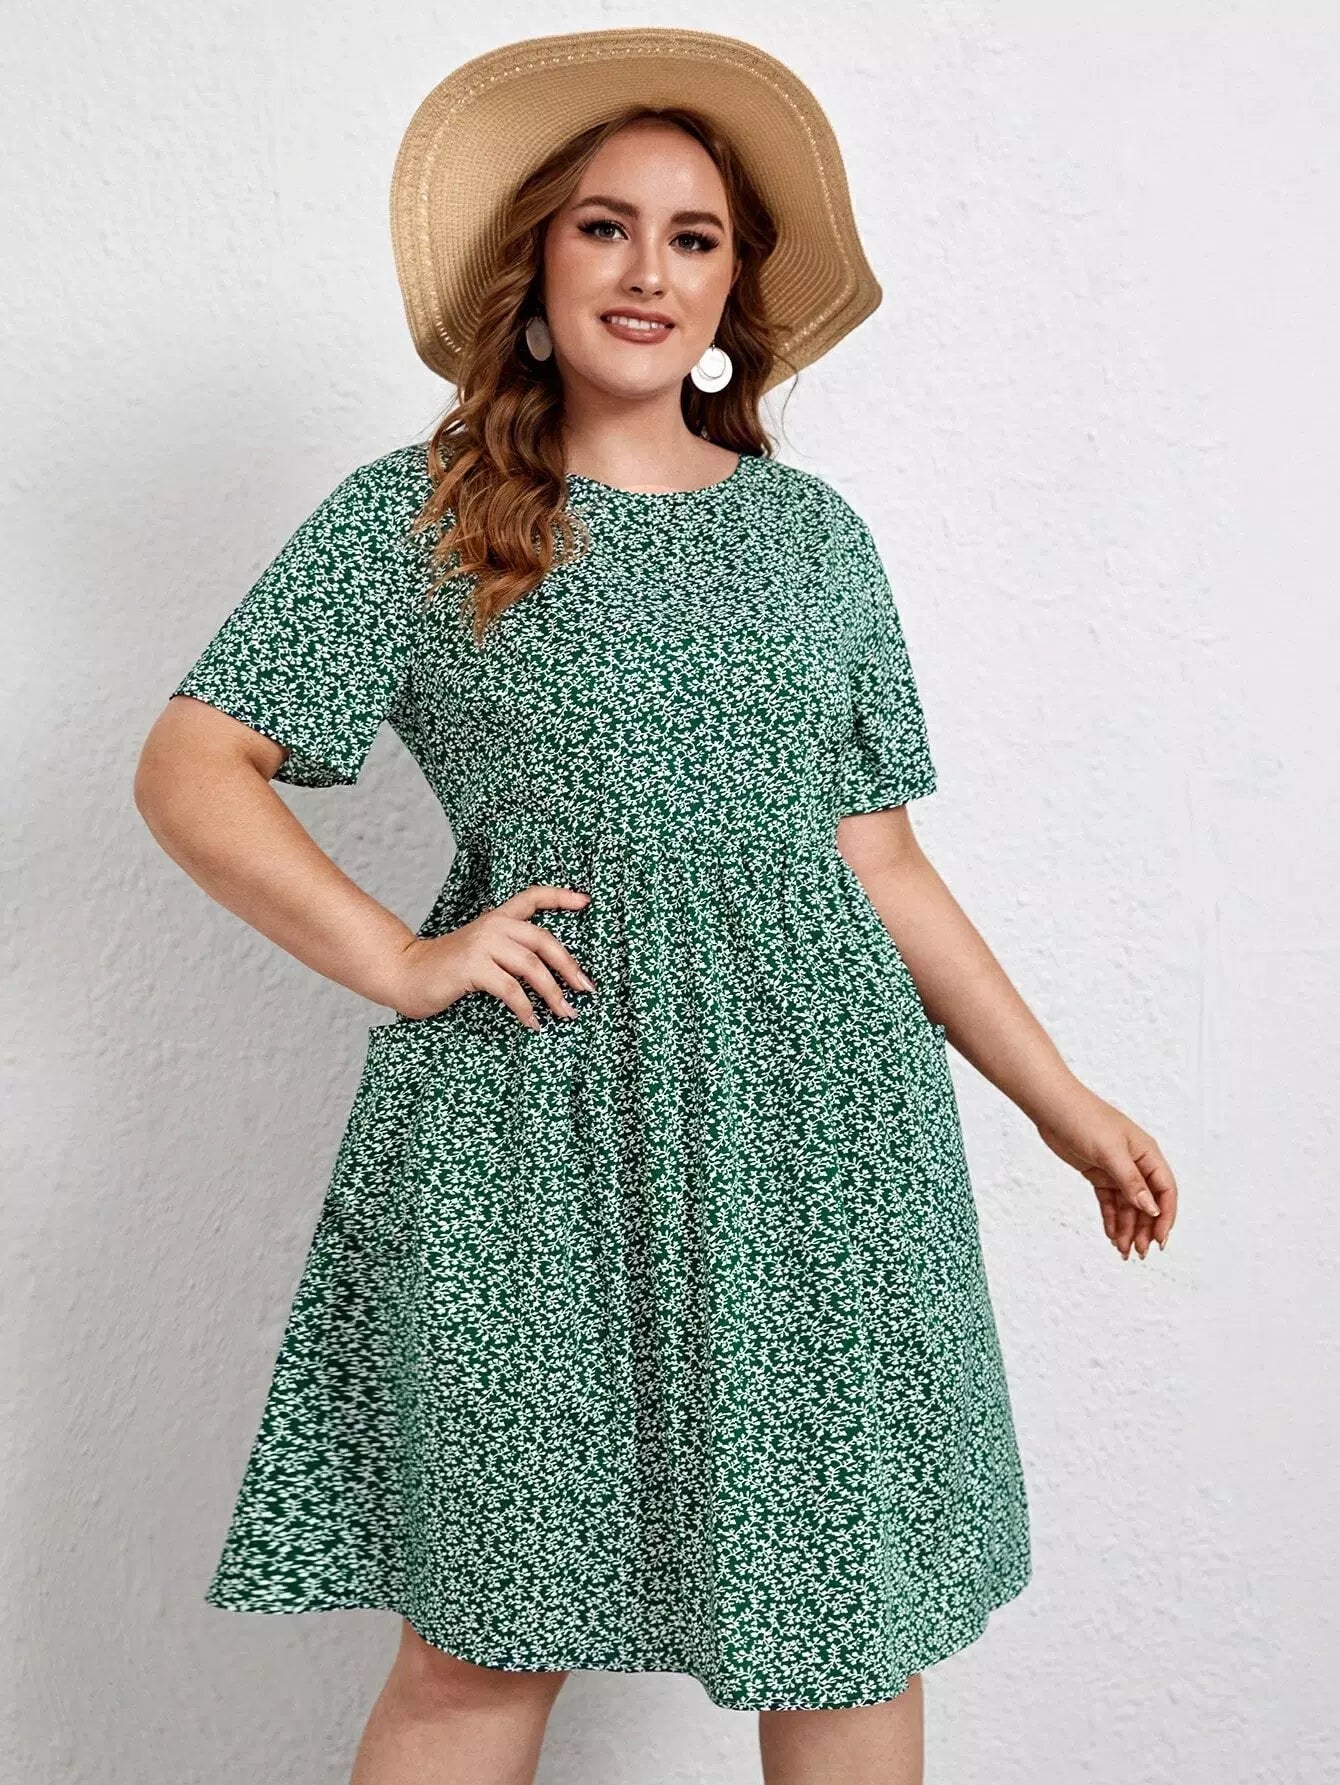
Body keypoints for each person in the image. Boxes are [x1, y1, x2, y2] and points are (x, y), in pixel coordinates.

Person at [133, 27, 1179, 1785]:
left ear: (728, 293)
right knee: (483, 1637)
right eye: (605, 226)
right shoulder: (426, 515)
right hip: (533, 1138)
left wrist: (1063, 1104)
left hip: (817, 1140)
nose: (648, 268)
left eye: (694, 237)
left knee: (844, 1616)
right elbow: (190, 764)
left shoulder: (813, 540)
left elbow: (879, 862)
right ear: (537, 270)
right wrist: (402, 955)